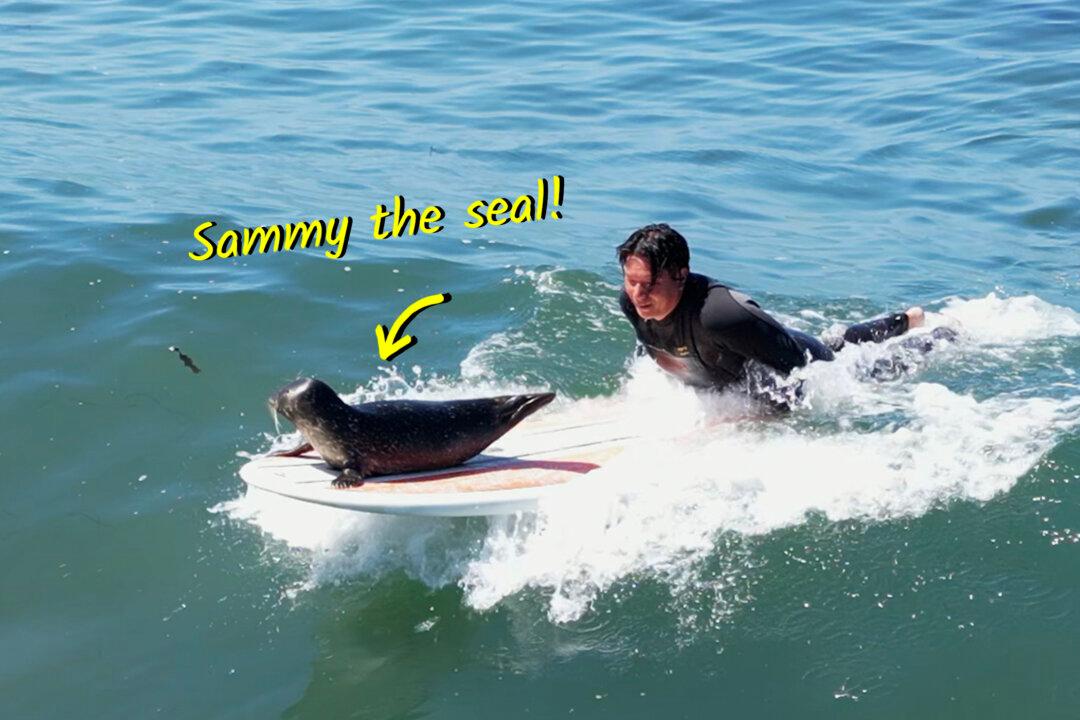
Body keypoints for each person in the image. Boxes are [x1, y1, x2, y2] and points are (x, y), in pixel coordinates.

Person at [617, 224, 942, 405]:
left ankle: (942, 335)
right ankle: (907, 318)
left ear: (681, 274)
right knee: (838, 341)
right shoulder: (632, 301)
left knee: (862, 365)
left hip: (810, 363)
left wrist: (754, 418)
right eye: (631, 282)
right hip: (751, 353)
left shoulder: (720, 316)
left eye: (649, 283)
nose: (639, 294)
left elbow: (806, 378)